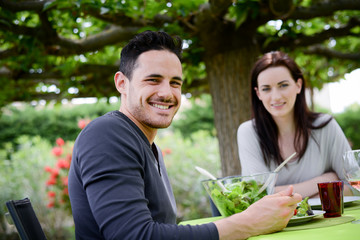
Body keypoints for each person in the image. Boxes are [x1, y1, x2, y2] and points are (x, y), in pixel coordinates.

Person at [68, 31, 301, 240]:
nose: (167, 93)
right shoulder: (107, 134)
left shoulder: (148, 146)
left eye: (175, 83)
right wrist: (248, 223)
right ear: (122, 83)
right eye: (153, 80)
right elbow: (135, 235)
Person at [237, 51, 352, 199]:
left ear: (298, 85)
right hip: (275, 223)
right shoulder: (248, 132)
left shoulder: (326, 126)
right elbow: (256, 196)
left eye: (283, 85)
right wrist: (322, 181)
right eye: (266, 89)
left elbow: (353, 185)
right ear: (258, 93)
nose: (276, 96)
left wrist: (289, 197)